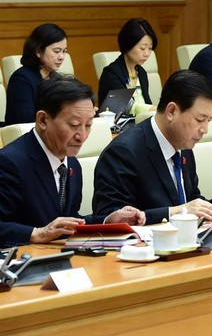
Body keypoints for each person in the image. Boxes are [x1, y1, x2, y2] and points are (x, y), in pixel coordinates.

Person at [0, 76, 145, 247]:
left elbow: (68, 222)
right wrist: (35, 233)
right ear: (43, 120)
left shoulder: (72, 165)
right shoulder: (9, 163)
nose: (82, 136)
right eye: (74, 125)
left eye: (88, 125)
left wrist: (109, 221)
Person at [93, 70, 212, 224]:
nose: (205, 130)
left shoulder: (183, 144)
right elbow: (112, 217)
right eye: (200, 119)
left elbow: (189, 199)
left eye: (209, 120)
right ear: (172, 111)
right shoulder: (124, 152)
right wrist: (174, 212)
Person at [5, 23, 68, 125]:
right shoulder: (21, 79)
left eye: (64, 51)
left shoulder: (57, 78)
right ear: (38, 51)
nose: (61, 57)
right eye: (57, 51)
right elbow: (26, 120)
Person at [97, 18, 158, 116]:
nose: (147, 53)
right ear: (128, 45)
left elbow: (146, 102)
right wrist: (158, 110)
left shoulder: (141, 72)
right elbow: (126, 107)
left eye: (150, 48)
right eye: (142, 48)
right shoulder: (111, 73)